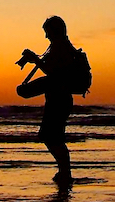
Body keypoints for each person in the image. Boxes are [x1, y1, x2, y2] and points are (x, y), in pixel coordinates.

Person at [16, 15, 79, 183]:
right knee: (52, 137)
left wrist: (36, 59)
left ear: (55, 31)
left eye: (47, 32)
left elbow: (55, 72)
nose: (46, 36)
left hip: (60, 99)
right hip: (57, 98)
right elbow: (53, 69)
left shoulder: (62, 48)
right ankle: (64, 172)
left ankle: (65, 172)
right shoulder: (58, 47)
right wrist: (34, 58)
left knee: (51, 137)